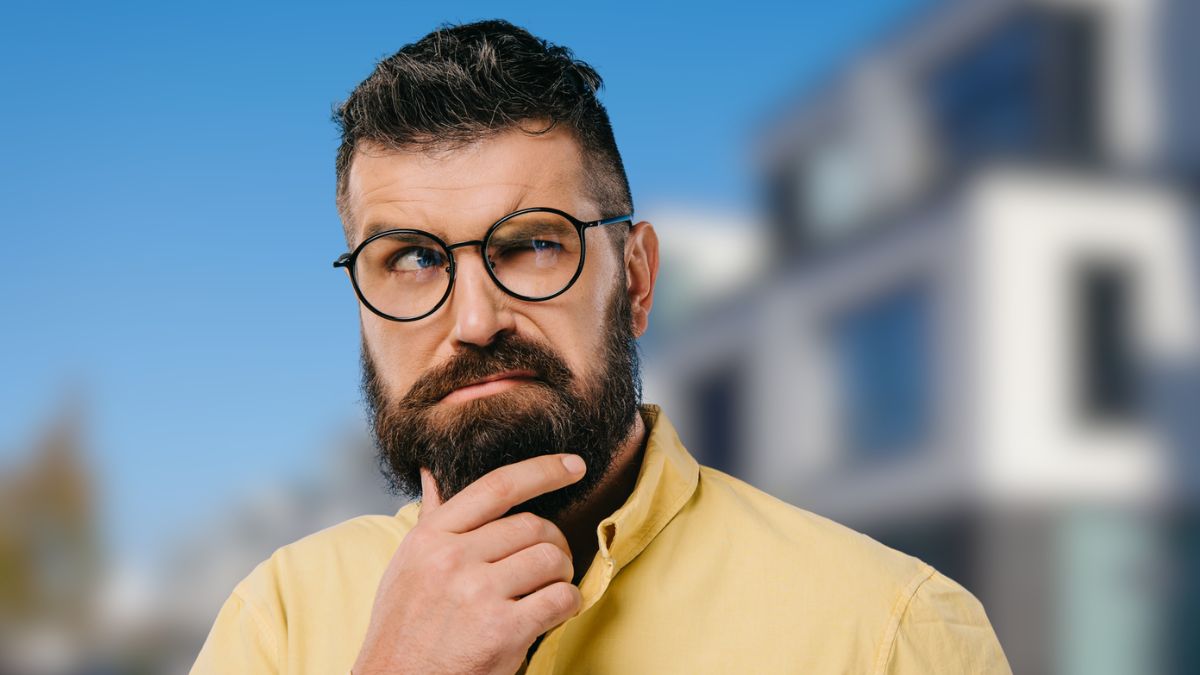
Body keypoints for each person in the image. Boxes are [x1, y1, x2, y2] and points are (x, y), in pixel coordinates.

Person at [192, 19, 1011, 674]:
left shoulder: (890, 635)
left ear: (639, 280)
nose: (475, 319)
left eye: (533, 245)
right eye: (412, 258)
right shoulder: (278, 620)